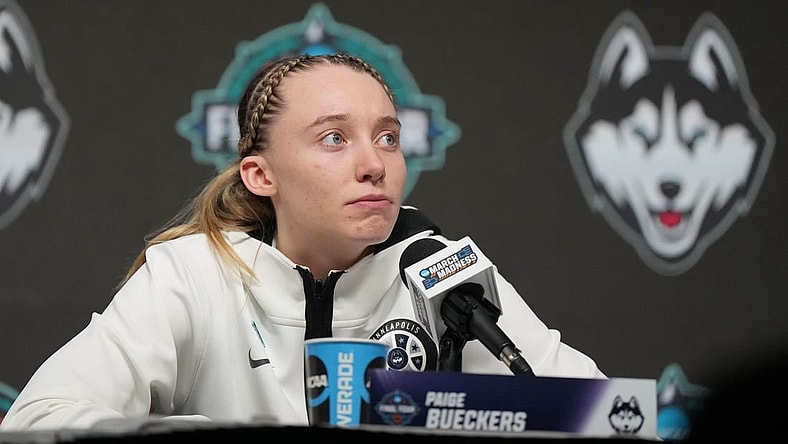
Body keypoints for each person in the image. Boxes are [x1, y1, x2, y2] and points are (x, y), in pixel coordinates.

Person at [0, 53, 605, 431]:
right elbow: (37, 420)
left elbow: (605, 417)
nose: (375, 164)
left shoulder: (443, 275)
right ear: (261, 176)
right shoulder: (194, 275)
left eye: (388, 138)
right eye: (334, 139)